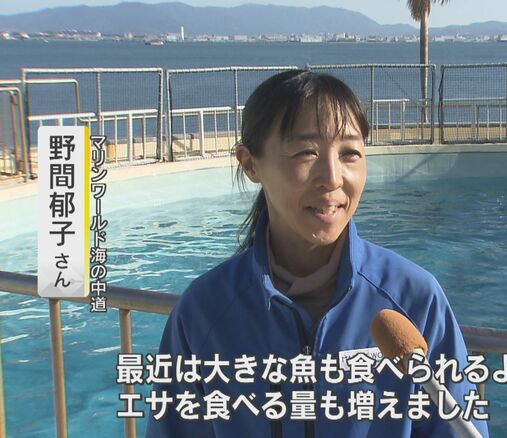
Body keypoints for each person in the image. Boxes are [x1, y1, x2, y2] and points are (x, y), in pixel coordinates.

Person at [146, 69, 489, 437]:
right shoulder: (205, 310)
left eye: (350, 153)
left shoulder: (414, 299)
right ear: (249, 164)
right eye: (306, 152)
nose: (332, 177)